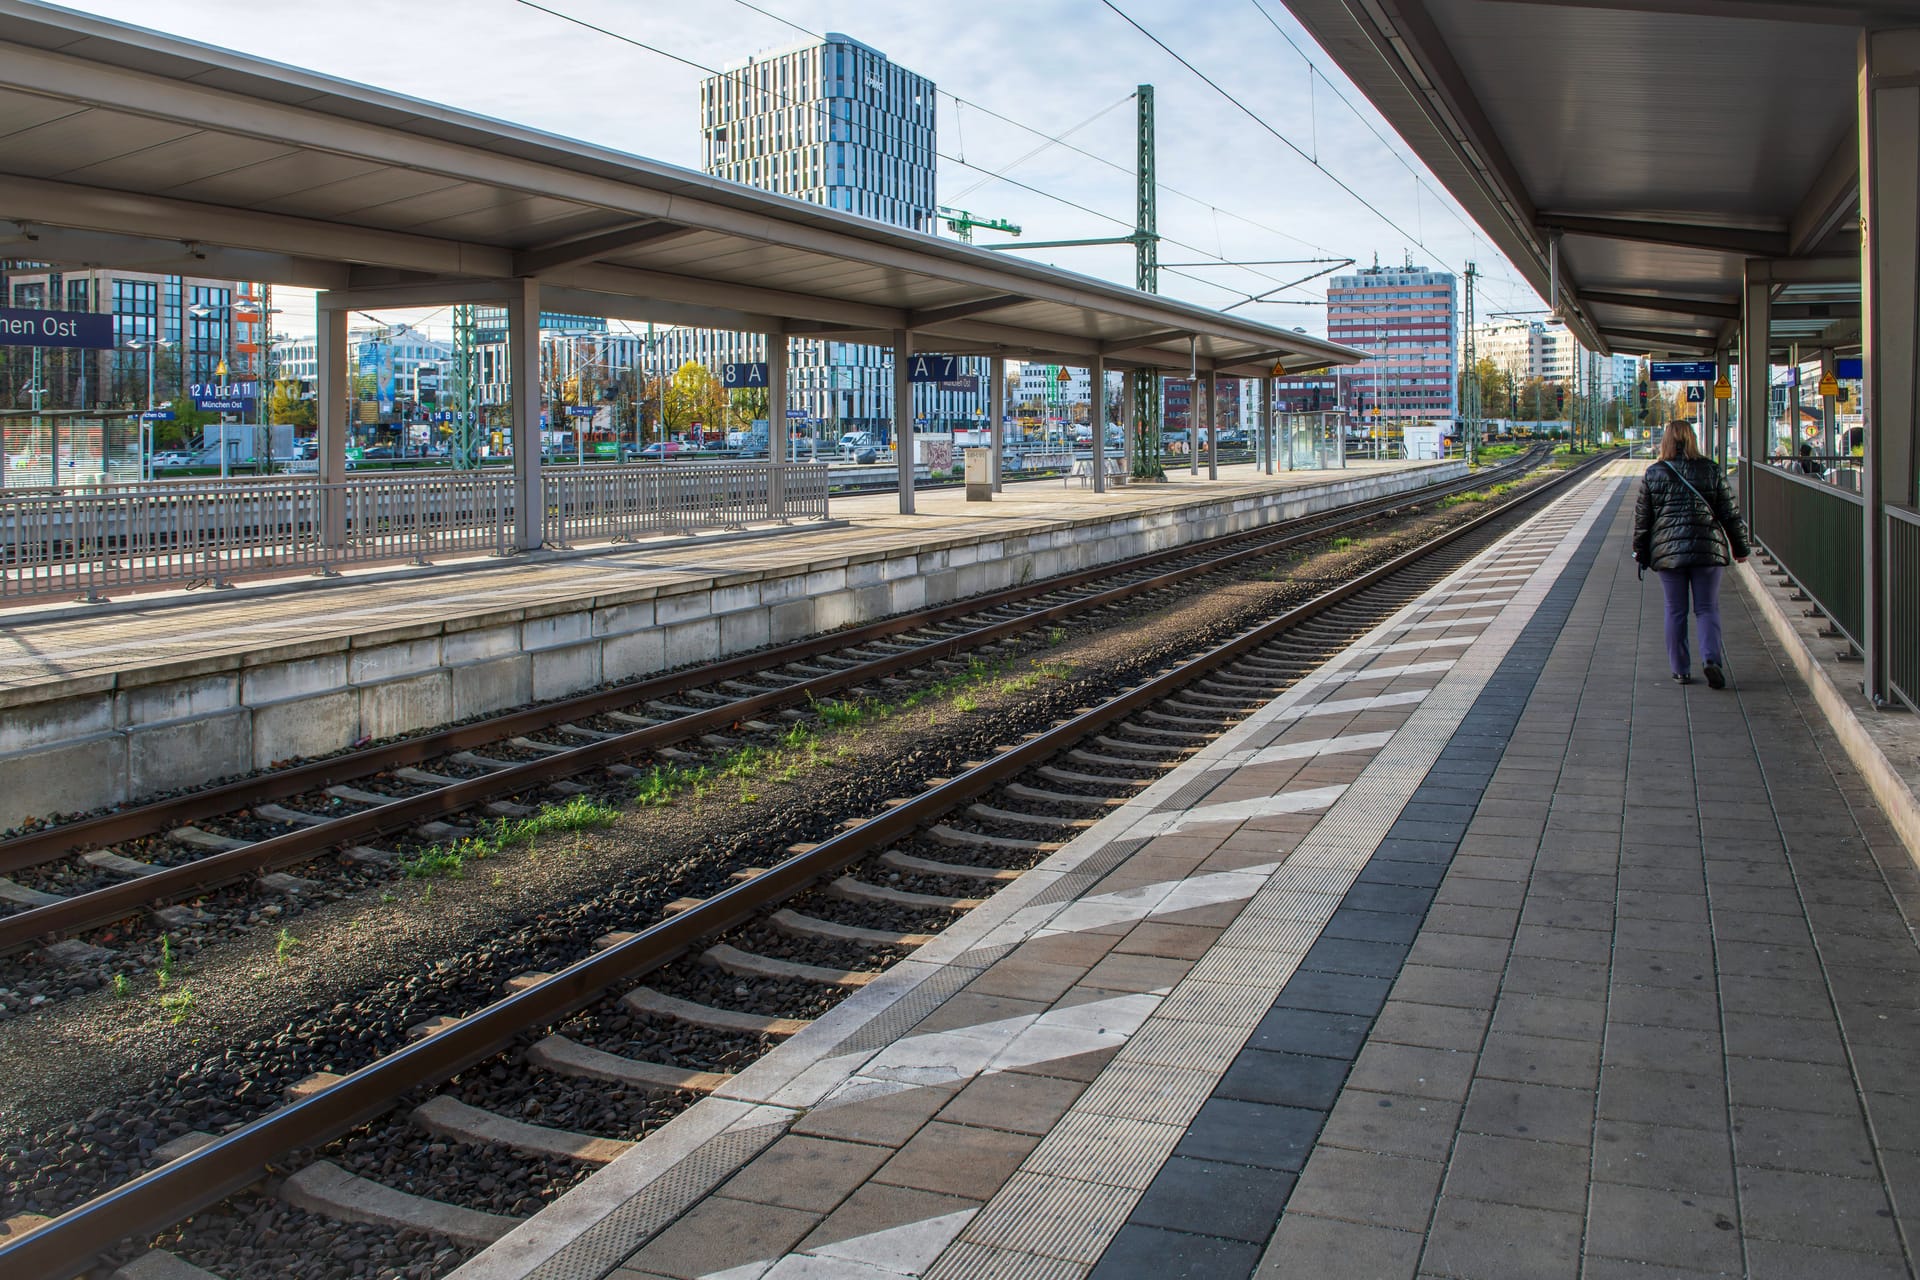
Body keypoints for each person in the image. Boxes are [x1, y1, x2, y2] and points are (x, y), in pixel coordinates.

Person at [1633, 419, 1750, 688]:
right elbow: (1729, 513)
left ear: (1665, 441)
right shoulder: (1711, 469)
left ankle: (1680, 670)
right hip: (1707, 550)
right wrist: (1740, 548)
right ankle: (1711, 661)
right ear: (1693, 439)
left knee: (1675, 610)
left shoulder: (1654, 473)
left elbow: (1643, 520)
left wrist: (1640, 552)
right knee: (1707, 608)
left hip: (1669, 554)